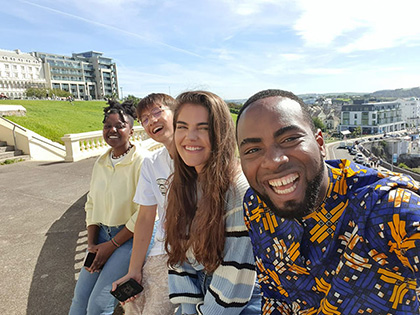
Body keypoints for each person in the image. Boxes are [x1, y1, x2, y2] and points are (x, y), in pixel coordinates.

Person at [236, 89, 420, 314]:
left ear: (320, 144)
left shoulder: (388, 208)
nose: (274, 161)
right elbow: (275, 295)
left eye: (290, 139)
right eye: (253, 150)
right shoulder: (256, 205)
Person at [165, 90, 261, 315]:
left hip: (241, 298)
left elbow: (235, 277)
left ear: (221, 134)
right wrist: (189, 309)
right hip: (202, 293)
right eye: (182, 126)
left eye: (203, 128)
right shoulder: (184, 183)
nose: (190, 137)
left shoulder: (239, 191)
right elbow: (178, 256)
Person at [69, 99, 150, 315]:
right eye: (107, 126)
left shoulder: (142, 161)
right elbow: (92, 203)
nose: (112, 130)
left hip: (129, 240)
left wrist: (111, 245)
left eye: (119, 125)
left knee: (98, 304)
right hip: (102, 237)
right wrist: (92, 244)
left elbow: (144, 213)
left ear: (131, 131)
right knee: (80, 299)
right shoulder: (101, 161)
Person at [112, 93, 177, 315]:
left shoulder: (196, 156)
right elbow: (146, 217)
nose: (152, 121)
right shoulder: (151, 162)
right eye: (145, 119)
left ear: (176, 113)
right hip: (160, 251)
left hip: (186, 256)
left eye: (157, 112)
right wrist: (134, 270)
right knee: (132, 304)